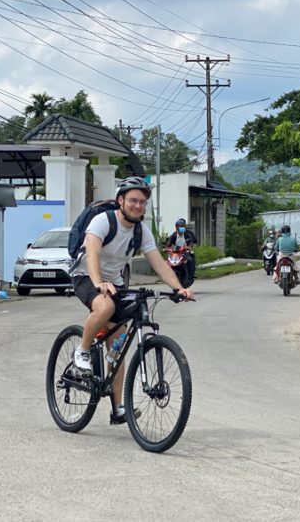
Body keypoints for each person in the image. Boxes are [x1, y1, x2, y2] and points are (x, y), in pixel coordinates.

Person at [70, 176, 194, 424]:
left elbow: (159, 263)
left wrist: (179, 288)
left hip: (114, 281)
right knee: (104, 305)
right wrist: (98, 283)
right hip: (85, 275)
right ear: (121, 200)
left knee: (117, 346)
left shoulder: (141, 230)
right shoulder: (103, 221)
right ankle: (82, 351)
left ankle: (118, 409)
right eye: (133, 201)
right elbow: (92, 254)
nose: (138, 206)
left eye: (143, 202)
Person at [165, 218, 197, 283]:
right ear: (176, 228)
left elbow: (191, 242)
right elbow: (169, 244)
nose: (181, 229)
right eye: (180, 227)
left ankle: (191, 275)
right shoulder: (174, 235)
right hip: (176, 253)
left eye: (183, 227)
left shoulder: (188, 234)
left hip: (185, 252)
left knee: (190, 260)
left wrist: (189, 247)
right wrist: (166, 248)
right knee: (167, 261)